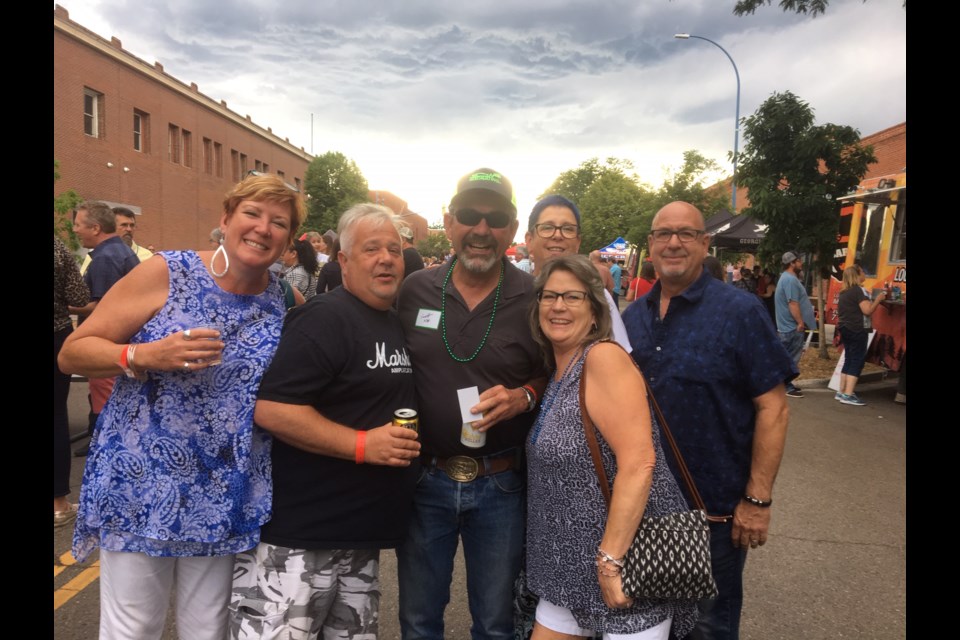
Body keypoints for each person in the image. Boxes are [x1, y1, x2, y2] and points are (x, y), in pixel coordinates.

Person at [57, 173, 305, 640]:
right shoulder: (166, 271)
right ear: (226, 219)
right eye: (252, 213)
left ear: (288, 240)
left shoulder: (284, 298)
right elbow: (73, 351)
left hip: (225, 489)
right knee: (133, 629)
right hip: (142, 481)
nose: (263, 228)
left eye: (279, 222)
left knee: (208, 630)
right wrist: (143, 354)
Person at [230, 203, 420, 638]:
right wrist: (361, 445)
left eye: (394, 249)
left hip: (360, 538)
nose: (387, 258)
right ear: (344, 261)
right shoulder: (324, 318)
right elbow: (273, 408)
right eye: (371, 248)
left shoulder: (391, 323)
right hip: (299, 540)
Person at [621, 202, 795, 640]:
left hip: (713, 515)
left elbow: (773, 407)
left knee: (707, 629)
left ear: (704, 243)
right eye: (663, 234)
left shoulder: (739, 312)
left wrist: (757, 500)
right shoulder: (632, 318)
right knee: (642, 626)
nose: (673, 242)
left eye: (685, 233)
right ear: (651, 245)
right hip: (640, 509)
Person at [397, 168, 547, 640]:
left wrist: (524, 396)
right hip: (427, 478)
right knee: (419, 619)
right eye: (469, 215)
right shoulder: (414, 289)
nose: (481, 230)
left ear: (513, 228)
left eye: (495, 218)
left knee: (496, 622)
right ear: (448, 221)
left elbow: (558, 374)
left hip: (500, 484)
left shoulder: (534, 297)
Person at [525, 254, 698, 639]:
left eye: (573, 297)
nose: (557, 306)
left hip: (624, 570)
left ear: (595, 309)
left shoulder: (602, 358)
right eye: (549, 296)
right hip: (566, 575)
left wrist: (610, 562)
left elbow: (639, 462)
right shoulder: (561, 370)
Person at [70, 201, 141, 457]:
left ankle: (105, 451)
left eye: (78, 224)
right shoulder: (120, 252)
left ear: (96, 228)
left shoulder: (106, 257)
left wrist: (66, 306)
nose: (75, 230)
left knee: (106, 401)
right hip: (124, 345)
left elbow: (101, 308)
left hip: (110, 345)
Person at [525, 194, 631, 351]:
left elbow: (619, 357)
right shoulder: (513, 292)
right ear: (529, 241)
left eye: (568, 229)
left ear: (577, 242)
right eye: (547, 227)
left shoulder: (596, 294)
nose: (557, 235)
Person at [54, 236, 90, 528]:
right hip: (55, 334)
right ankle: (58, 505)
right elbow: (78, 298)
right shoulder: (56, 248)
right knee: (55, 417)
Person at [835, 265, 886, 406]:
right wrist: (878, 299)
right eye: (863, 271)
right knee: (857, 360)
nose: (864, 273)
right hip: (857, 329)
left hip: (845, 328)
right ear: (857, 275)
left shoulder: (844, 292)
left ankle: (842, 391)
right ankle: (848, 394)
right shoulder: (858, 291)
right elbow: (867, 310)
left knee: (849, 358)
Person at [774, 252, 816, 399]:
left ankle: (784, 383)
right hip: (791, 327)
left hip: (787, 326)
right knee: (790, 359)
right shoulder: (790, 280)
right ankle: (784, 385)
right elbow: (793, 303)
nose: (801, 263)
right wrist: (799, 322)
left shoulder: (786, 278)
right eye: (798, 261)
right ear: (792, 263)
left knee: (787, 357)